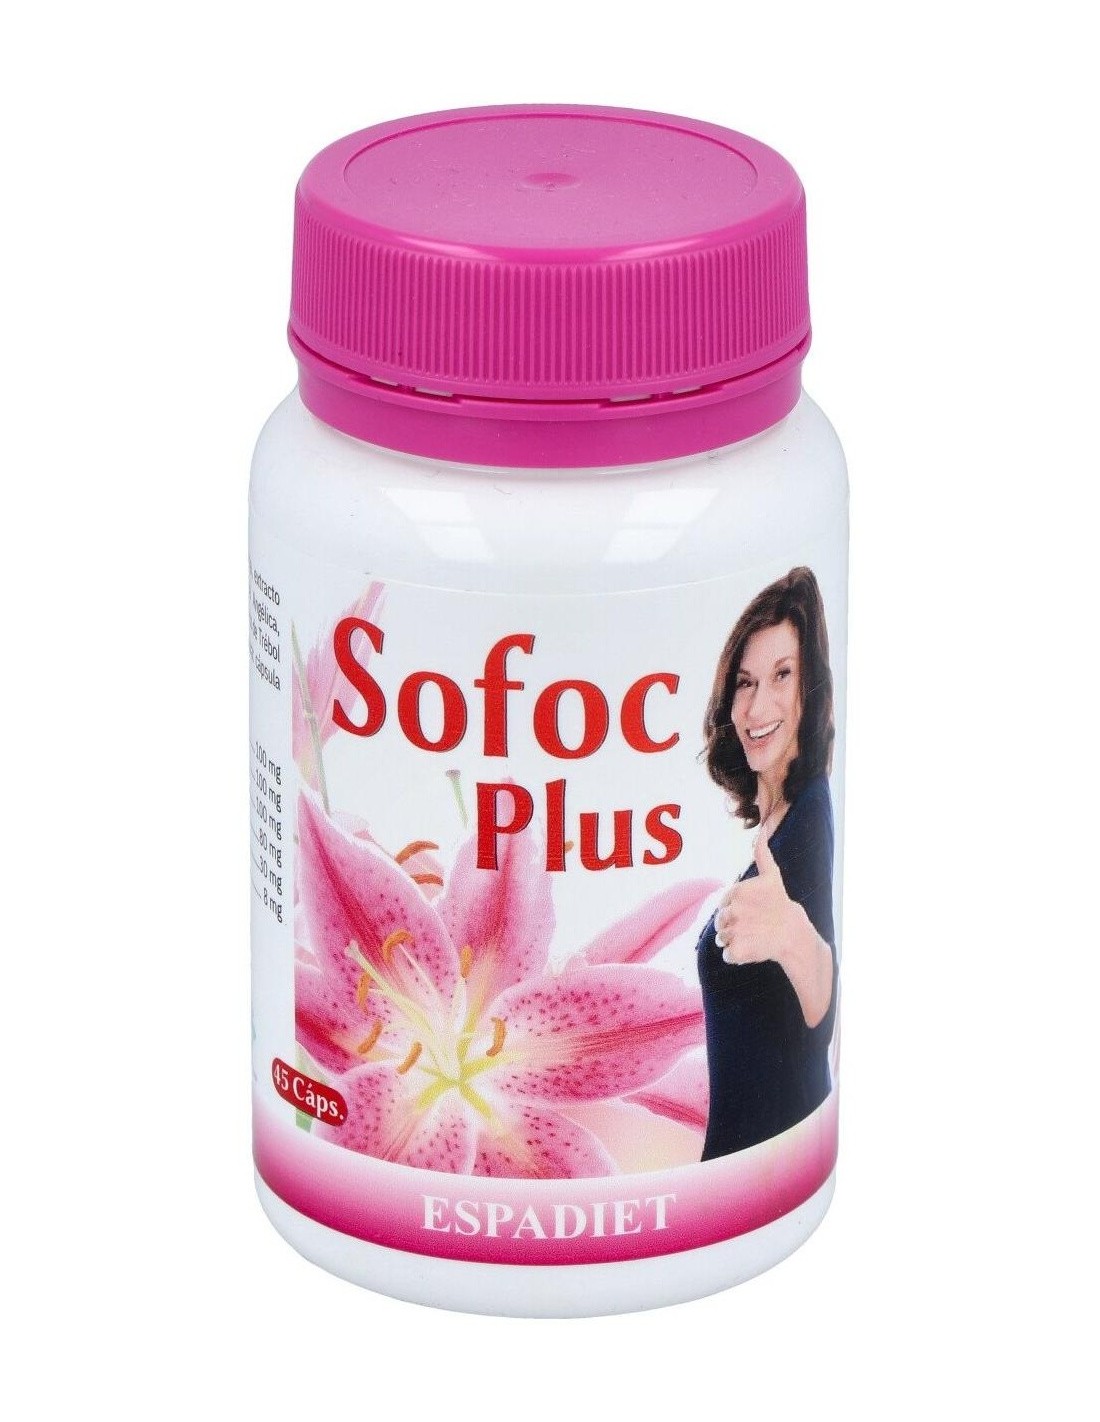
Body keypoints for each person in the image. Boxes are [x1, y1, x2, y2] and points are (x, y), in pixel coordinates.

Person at [696, 566, 838, 1158]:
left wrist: (794, 936)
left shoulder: (811, 817)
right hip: (741, 1171)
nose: (757, 707)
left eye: (783, 675)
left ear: (812, 687)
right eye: (745, 683)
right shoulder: (782, 826)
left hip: (774, 1167)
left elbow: (824, 1014)